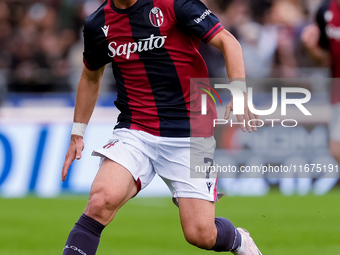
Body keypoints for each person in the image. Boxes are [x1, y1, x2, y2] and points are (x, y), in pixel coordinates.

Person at [61, 0, 262, 254]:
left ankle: (240, 240)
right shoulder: (97, 23)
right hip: (135, 130)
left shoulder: (174, 4)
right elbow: (91, 75)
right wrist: (78, 132)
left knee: (200, 234)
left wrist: (240, 94)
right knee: (100, 202)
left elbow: (228, 42)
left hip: (191, 132)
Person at [301, 0, 340, 166]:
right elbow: (325, 59)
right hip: (337, 91)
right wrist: (312, 47)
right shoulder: (324, 10)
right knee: (335, 147)